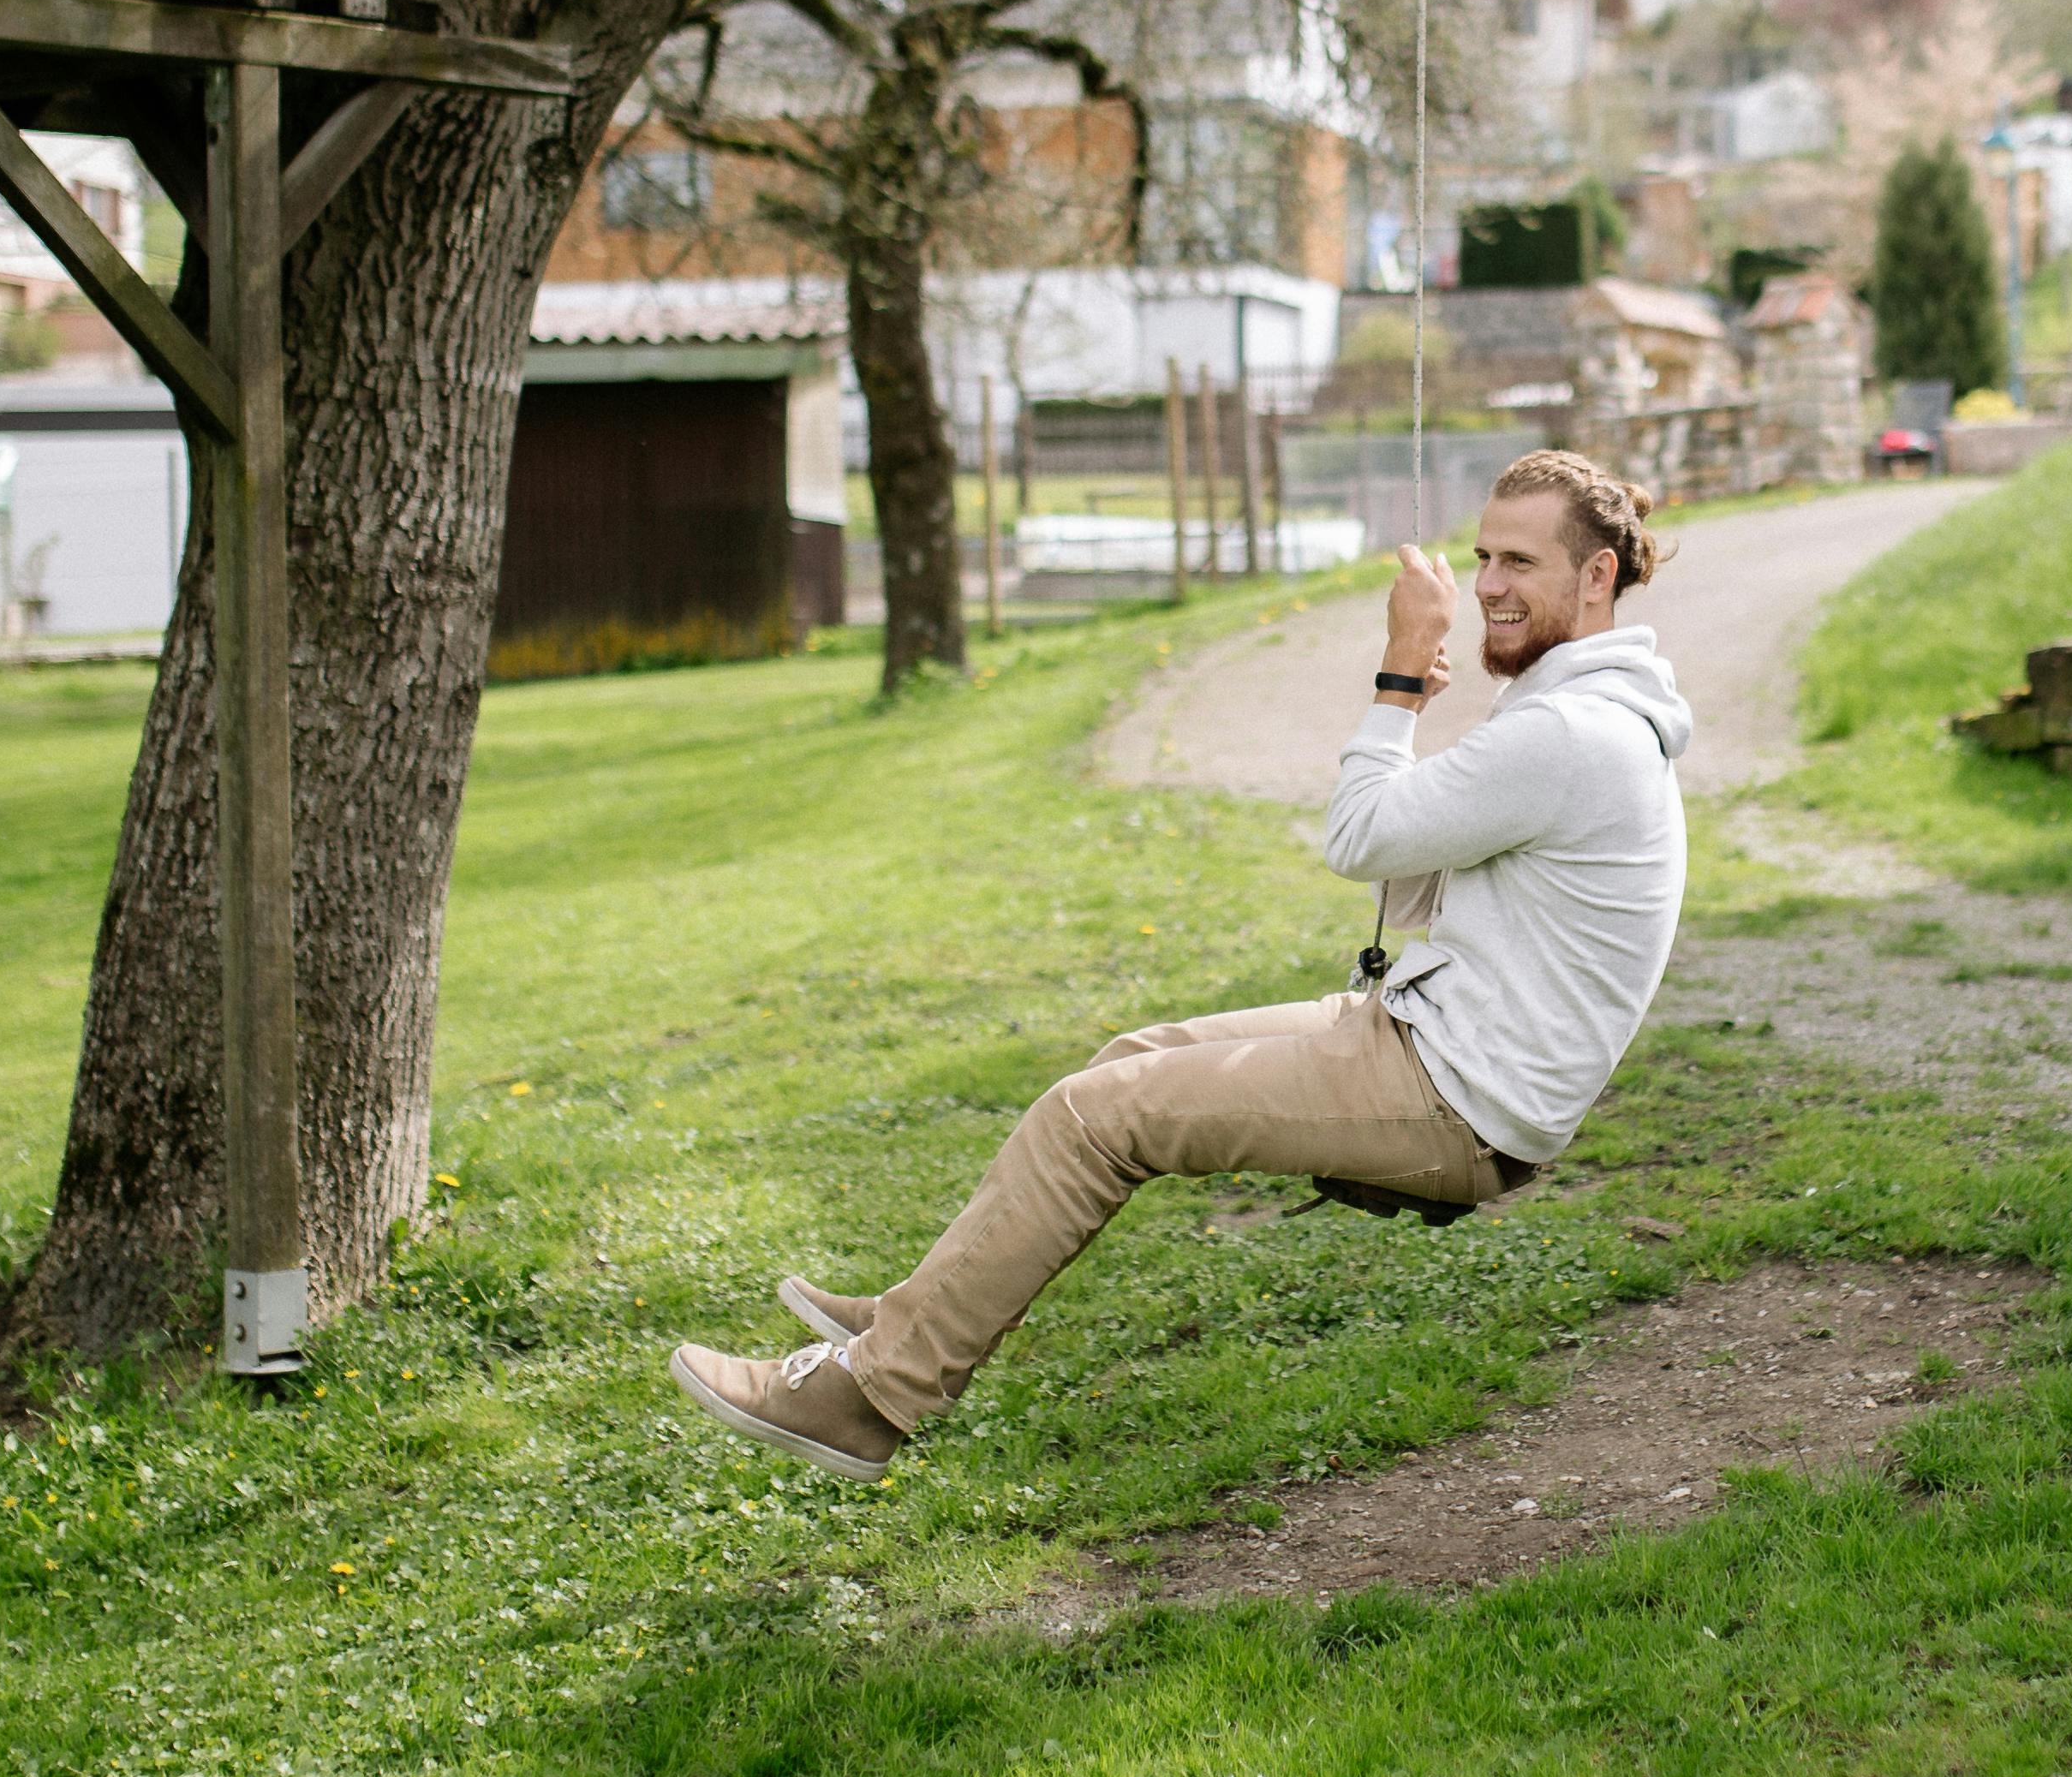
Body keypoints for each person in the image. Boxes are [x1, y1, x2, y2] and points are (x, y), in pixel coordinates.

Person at [667, 448, 1693, 1478]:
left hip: (1461, 1095)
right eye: (1481, 556)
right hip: (1437, 1040)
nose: (1485, 587)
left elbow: (1362, 841)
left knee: (1091, 1121)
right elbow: (1438, 861)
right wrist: (1412, 711)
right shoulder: (1584, 714)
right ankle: (912, 1321)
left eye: (1519, 561)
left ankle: (869, 1399)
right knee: (1121, 1067)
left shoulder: (1568, 729)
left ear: (1596, 576)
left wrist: (1395, 677)